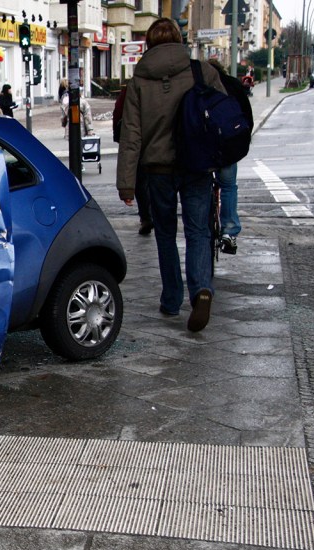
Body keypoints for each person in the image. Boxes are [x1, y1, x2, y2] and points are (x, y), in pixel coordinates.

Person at [116, 17, 226, 332]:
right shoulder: (200, 71)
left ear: (148, 45)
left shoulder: (138, 82)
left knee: (165, 234)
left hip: (157, 169)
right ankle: (201, 289)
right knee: (198, 232)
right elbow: (221, 113)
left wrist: (126, 183)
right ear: (179, 41)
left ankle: (171, 299)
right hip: (196, 165)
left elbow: (131, 135)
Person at [208, 59, 254, 255]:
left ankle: (203, 228)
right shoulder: (233, 85)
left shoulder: (197, 87)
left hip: (203, 149)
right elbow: (247, 117)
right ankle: (229, 231)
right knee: (228, 186)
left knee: (200, 188)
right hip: (228, 146)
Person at [112, 83, 152, 235]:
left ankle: (146, 217)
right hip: (163, 143)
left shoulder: (132, 87)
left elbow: (119, 113)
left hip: (138, 141)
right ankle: (155, 216)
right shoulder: (172, 83)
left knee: (141, 181)